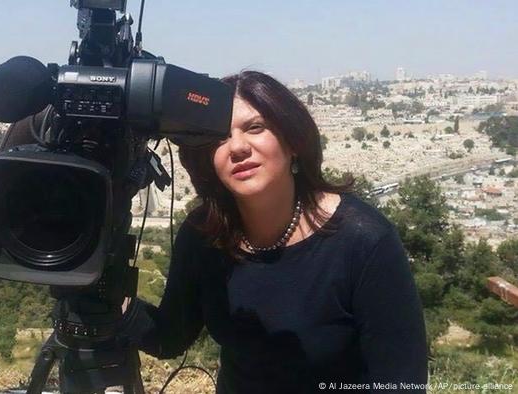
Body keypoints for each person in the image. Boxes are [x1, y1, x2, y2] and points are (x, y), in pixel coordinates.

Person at [124, 71, 428, 393]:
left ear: (293, 140)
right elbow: (170, 336)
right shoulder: (205, 234)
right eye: (217, 137)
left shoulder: (364, 241)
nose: (237, 147)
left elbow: (401, 381)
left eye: (255, 128)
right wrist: (106, 299)